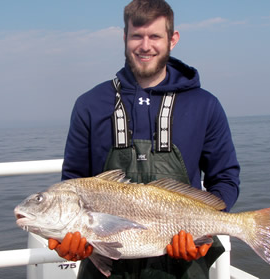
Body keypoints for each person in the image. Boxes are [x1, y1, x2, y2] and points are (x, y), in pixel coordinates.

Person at [48, 0, 240, 278]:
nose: (145, 46)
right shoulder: (89, 105)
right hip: (106, 263)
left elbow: (225, 179)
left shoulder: (205, 105)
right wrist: (70, 240)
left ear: (172, 39)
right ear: (124, 37)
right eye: (137, 36)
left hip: (182, 265)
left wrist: (203, 232)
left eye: (155, 36)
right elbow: (73, 181)